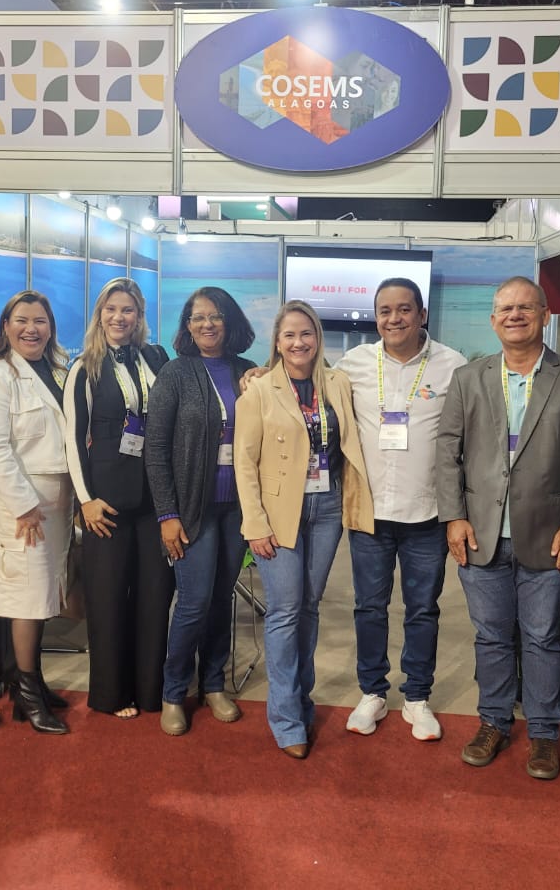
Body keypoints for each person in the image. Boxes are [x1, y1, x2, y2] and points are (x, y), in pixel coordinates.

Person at [436, 276, 560, 780]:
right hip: (480, 534)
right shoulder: (469, 378)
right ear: (493, 321)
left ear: (544, 316)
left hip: (549, 536)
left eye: (525, 307)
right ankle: (493, 721)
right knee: (490, 637)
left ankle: (545, 732)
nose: (515, 315)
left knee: (542, 637)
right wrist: (454, 516)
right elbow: (448, 453)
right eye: (505, 309)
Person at [235, 300, 374, 758]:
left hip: (328, 506)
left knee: (309, 607)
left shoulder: (337, 383)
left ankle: (301, 699)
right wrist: (255, 524)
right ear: (277, 342)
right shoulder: (258, 391)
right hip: (279, 512)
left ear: (318, 338)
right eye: (290, 335)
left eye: (307, 333)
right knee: (284, 610)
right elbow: (244, 464)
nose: (299, 342)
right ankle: (286, 718)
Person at [334, 278, 466, 741]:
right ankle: (372, 691)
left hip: (427, 513)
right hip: (369, 514)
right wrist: (258, 375)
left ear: (422, 314)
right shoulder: (352, 364)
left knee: (422, 609)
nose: (395, 319)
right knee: (369, 607)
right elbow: (301, 382)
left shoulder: (452, 365)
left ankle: (417, 697)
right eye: (385, 311)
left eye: (404, 309)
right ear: (376, 318)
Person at [145, 287, 256, 736]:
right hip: (192, 510)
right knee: (193, 602)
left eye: (215, 316)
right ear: (187, 326)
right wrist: (167, 514)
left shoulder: (249, 371)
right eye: (197, 317)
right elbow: (155, 449)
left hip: (238, 508)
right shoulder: (175, 373)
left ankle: (213, 683)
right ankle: (174, 691)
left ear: (230, 321)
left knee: (221, 599)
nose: (207, 324)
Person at [62, 277, 171, 719]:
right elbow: (72, 439)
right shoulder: (84, 366)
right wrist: (85, 500)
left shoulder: (156, 358)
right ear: (99, 315)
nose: (119, 317)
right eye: (111, 309)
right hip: (105, 502)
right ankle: (111, 693)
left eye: (127, 310)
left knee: (154, 596)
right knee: (107, 599)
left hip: (154, 499)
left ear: (139, 315)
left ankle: (150, 689)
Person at [0, 290, 73, 734]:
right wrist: (24, 505)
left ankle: (29, 682)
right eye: (22, 320)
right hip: (22, 505)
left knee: (45, 593)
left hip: (59, 500)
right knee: (26, 599)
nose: (31, 329)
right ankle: (27, 695)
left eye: (40, 321)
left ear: (51, 328)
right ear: (6, 327)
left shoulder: (60, 373)